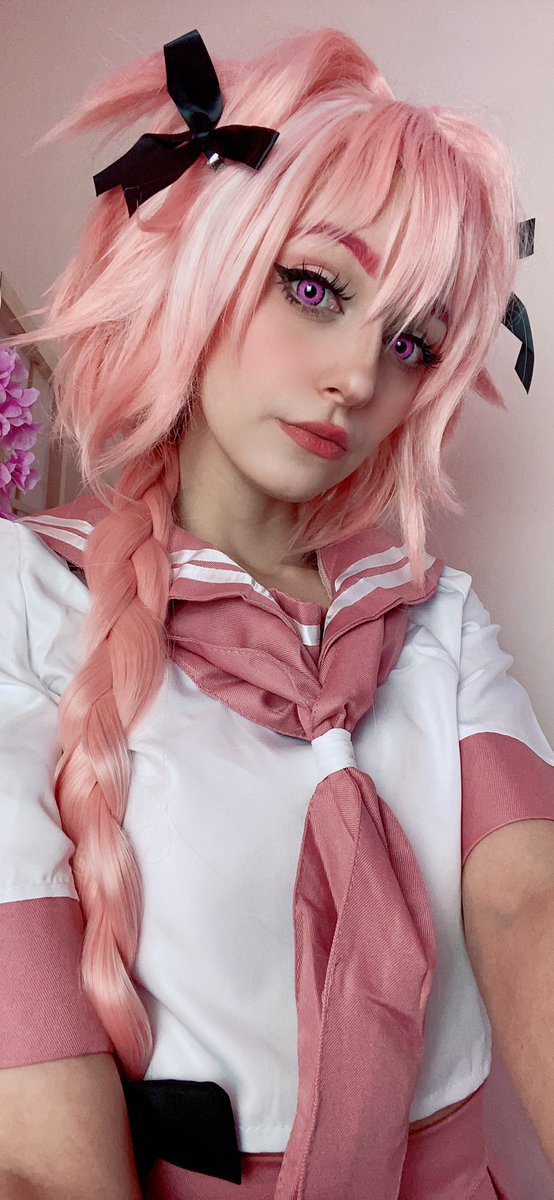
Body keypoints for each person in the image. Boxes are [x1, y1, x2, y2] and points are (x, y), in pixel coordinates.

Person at [1, 24, 553, 1200]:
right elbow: (32, 1089)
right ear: (209, 254)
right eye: (313, 288)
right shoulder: (27, 596)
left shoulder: (438, 621)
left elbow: (527, 902)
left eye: (409, 341)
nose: (357, 377)